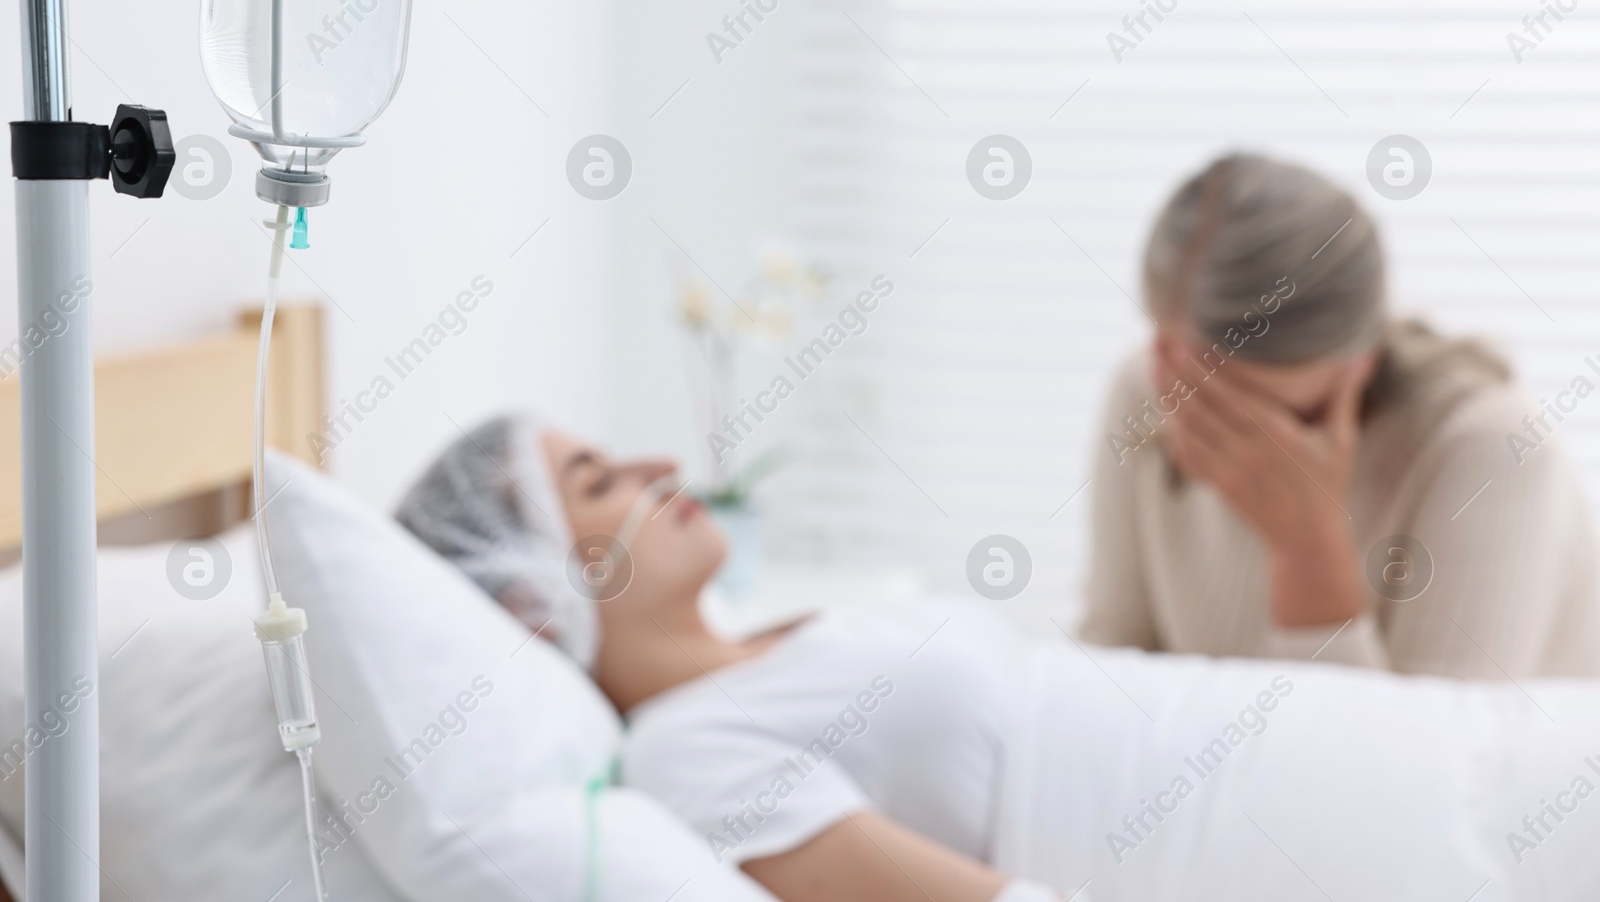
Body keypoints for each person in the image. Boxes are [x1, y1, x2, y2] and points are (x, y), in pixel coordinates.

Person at [395, 414, 1600, 901]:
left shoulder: (790, 626)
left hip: (1353, 737)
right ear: (526, 593)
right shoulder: (686, 753)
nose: (658, 465)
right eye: (595, 483)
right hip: (1304, 837)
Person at [1081, 153, 1600, 676]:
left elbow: (1427, 756)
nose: (1198, 415)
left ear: (1362, 357)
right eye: (1178, 373)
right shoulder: (1150, 391)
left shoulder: (1492, 451)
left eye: (1264, 415)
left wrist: (1307, 550)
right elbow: (1113, 680)